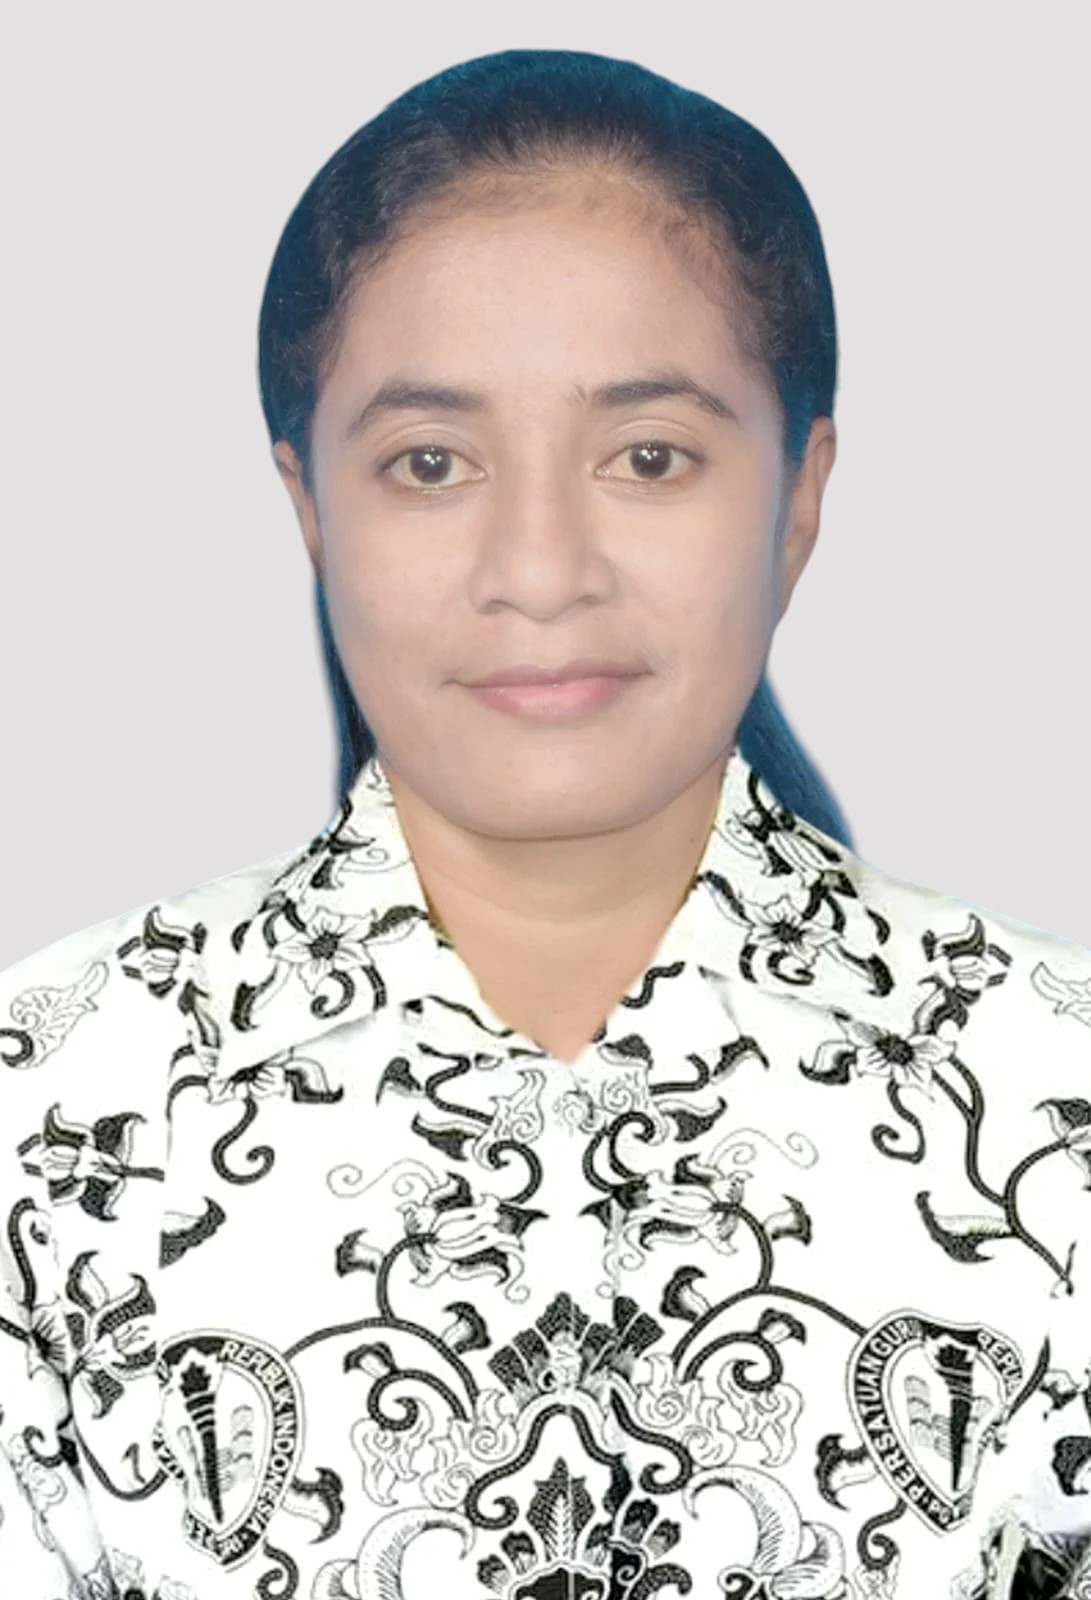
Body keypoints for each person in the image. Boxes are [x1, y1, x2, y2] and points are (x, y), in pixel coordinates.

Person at [1, 47, 1088, 1600]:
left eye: (648, 458)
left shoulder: (1057, 1104)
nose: (537, 568)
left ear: (799, 500)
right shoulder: (45, 1119)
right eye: (430, 465)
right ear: (311, 509)